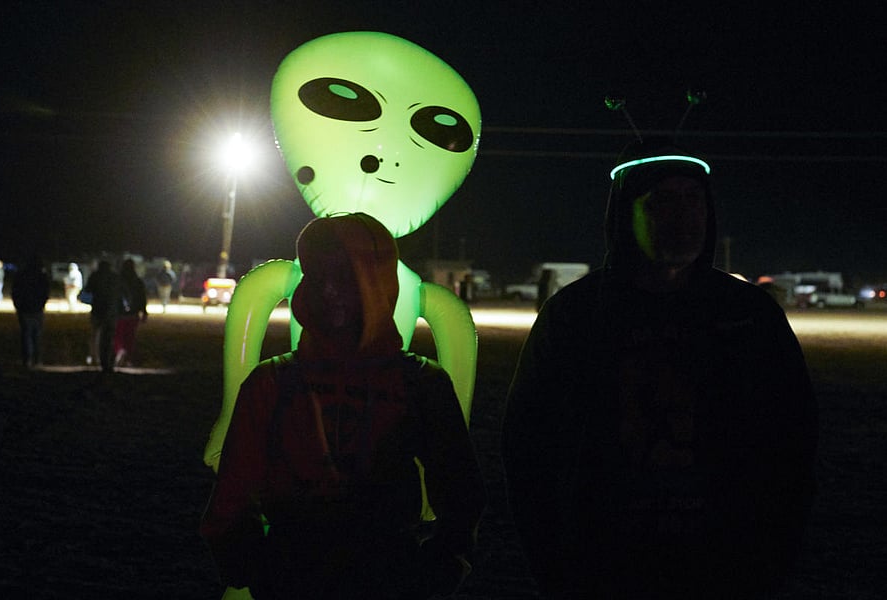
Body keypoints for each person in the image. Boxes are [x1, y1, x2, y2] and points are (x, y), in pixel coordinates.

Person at [502, 138, 818, 600]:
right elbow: (528, 442)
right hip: (603, 562)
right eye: (662, 201)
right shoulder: (577, 314)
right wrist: (554, 561)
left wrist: (770, 557)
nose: (683, 216)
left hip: (724, 561)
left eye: (693, 199)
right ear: (624, 214)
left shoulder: (749, 314)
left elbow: (794, 438)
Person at [200, 213, 485, 600]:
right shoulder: (271, 383)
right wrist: (252, 564)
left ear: (378, 283)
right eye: (318, 275)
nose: (330, 290)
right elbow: (231, 498)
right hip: (298, 575)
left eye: (347, 276)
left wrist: (442, 562)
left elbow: (460, 492)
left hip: (382, 576)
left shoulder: (421, 384)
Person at [82, 259, 123, 373]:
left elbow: (88, 290)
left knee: (96, 334)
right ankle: (108, 361)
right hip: (111, 310)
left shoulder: (95, 276)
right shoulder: (115, 277)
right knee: (109, 337)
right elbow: (120, 292)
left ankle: (96, 358)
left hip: (97, 310)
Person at [11, 255, 50, 369]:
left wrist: (18, 306)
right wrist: (42, 304)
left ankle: (27, 359)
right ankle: (36, 360)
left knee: (26, 334)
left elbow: (15, 291)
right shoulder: (41, 276)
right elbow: (45, 292)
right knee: (36, 335)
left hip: (24, 309)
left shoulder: (21, 275)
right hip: (37, 309)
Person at [113, 258, 148, 367]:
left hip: (119, 314)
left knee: (118, 335)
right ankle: (128, 357)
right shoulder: (138, 281)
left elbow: (114, 297)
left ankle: (120, 352)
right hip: (133, 314)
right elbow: (142, 298)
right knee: (130, 336)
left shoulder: (117, 281)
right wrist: (144, 311)